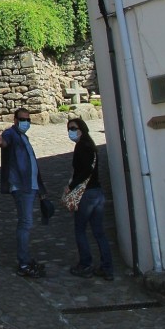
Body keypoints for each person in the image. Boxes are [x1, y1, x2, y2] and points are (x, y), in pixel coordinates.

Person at [0, 109, 48, 277]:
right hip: (21, 186)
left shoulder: (24, 137)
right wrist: (0, 142)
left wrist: (40, 188)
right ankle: (23, 263)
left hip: (30, 186)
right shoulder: (11, 134)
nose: (26, 122)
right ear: (15, 120)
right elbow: (5, 143)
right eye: (23, 119)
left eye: (28, 119)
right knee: (25, 224)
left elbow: (32, 164)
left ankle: (25, 259)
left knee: (26, 223)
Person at [66, 117, 114, 280]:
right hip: (97, 192)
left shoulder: (82, 146)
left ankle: (85, 264)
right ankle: (107, 267)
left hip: (87, 194)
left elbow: (86, 170)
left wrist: (71, 186)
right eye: (69, 128)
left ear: (81, 129)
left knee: (80, 230)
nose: (71, 131)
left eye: (73, 128)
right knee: (99, 232)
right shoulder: (91, 145)